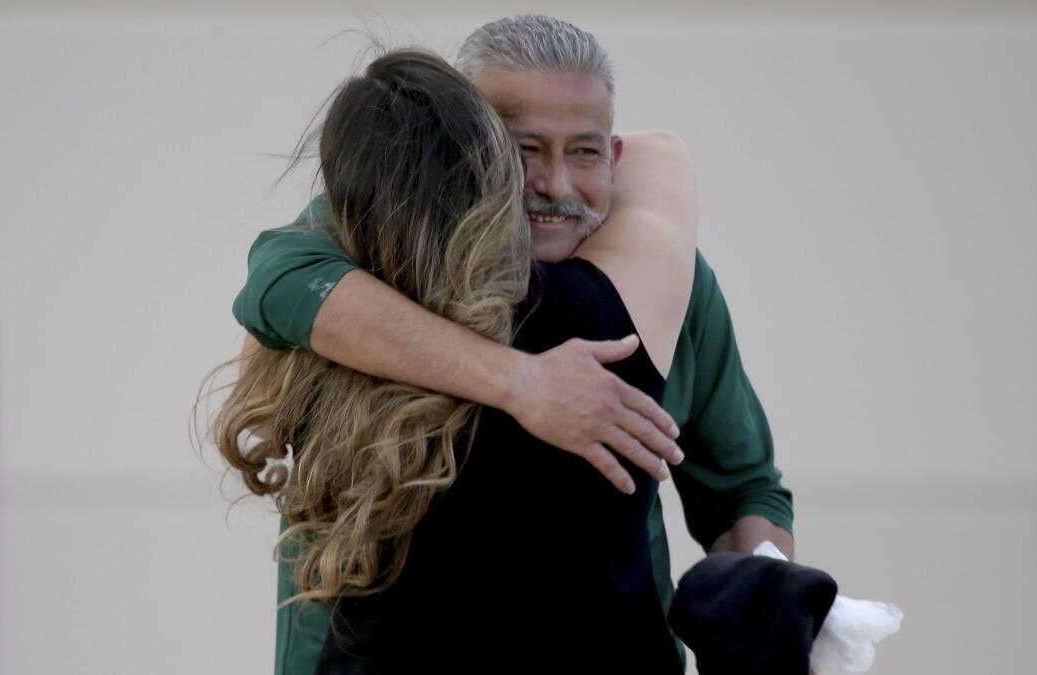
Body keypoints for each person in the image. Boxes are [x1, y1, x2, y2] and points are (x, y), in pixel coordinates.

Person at [232, 15, 795, 673]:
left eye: (584, 151)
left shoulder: (677, 289)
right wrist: (522, 381)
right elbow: (276, 278)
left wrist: (771, 594)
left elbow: (743, 488)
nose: (556, 186)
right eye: (525, 149)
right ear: (462, 150)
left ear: (614, 156)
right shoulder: (381, 250)